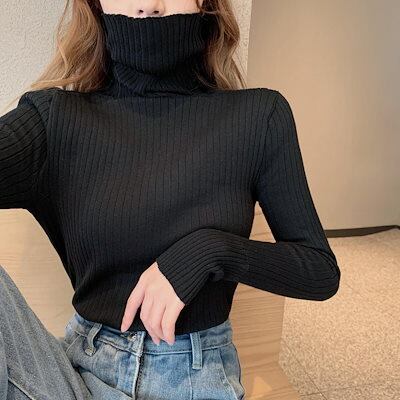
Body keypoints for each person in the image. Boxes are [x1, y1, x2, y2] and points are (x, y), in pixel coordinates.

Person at [0, 0, 341, 398]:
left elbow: (319, 271)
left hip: (193, 379)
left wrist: (211, 252)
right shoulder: (53, 118)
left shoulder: (259, 117)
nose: (148, 5)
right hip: (76, 378)